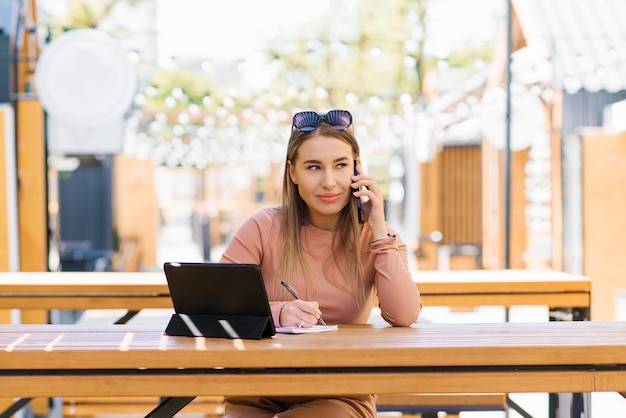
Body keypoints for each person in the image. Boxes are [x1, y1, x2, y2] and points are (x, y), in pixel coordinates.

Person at [219, 109, 422, 418]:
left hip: (340, 395)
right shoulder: (262, 227)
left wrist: (378, 227)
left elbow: (404, 314)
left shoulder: (382, 238)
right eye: (314, 167)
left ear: (357, 169)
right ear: (293, 172)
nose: (329, 182)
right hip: (258, 392)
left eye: (340, 166)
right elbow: (215, 307)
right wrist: (278, 313)